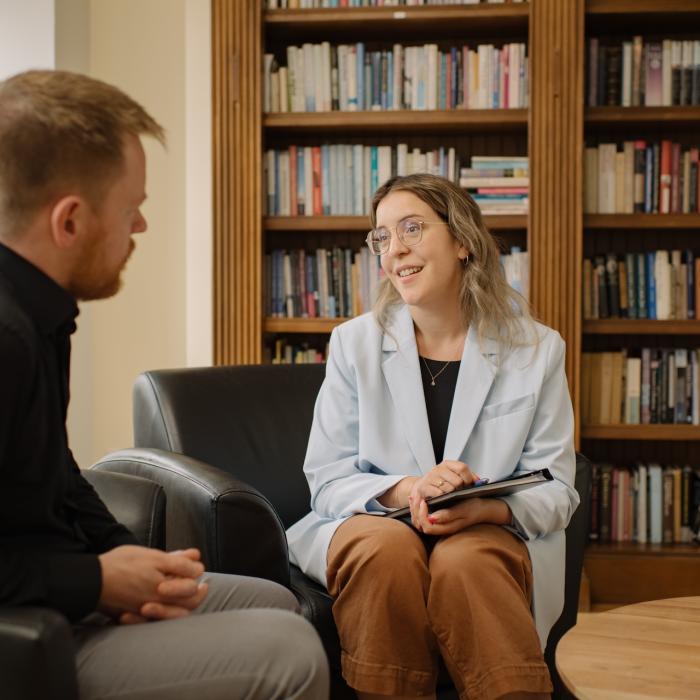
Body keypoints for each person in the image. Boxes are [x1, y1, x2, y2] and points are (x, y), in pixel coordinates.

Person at [0, 69, 328, 700]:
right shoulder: (5, 339)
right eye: (131, 208)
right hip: (28, 633)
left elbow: (55, 475)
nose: (141, 228)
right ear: (69, 220)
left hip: (58, 597)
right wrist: (96, 584)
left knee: (273, 600)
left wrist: (130, 560)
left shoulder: (41, 313)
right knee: (289, 651)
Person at [286, 173, 579, 700]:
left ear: (463, 240)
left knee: (466, 559)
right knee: (387, 549)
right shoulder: (353, 344)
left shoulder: (537, 348)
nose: (395, 250)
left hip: (486, 530)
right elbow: (326, 481)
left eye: (412, 229)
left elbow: (557, 486)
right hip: (375, 523)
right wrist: (409, 491)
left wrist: (486, 510)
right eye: (382, 237)